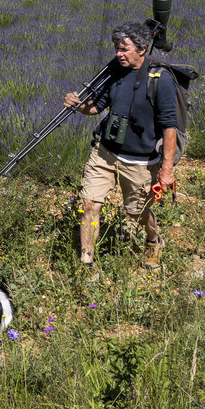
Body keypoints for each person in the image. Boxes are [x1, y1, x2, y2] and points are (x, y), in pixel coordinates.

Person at [62, 20, 178, 273]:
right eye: (116, 48)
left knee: (136, 213)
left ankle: (154, 239)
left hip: (140, 160)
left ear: (142, 49)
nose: (118, 54)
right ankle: (87, 264)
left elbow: (171, 127)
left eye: (124, 49)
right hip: (105, 153)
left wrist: (166, 169)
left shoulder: (161, 79)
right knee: (90, 204)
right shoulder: (114, 72)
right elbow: (96, 106)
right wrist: (77, 104)